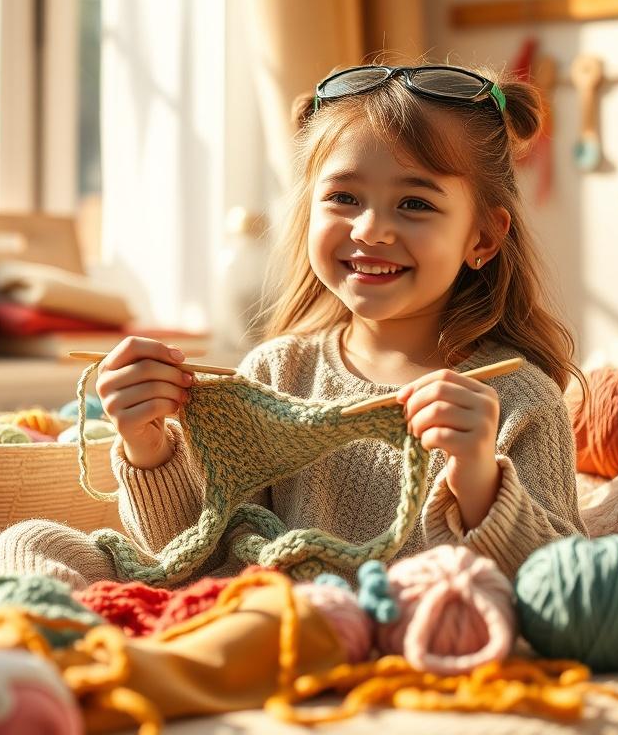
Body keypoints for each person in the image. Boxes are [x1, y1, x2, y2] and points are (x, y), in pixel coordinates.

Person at [96, 62, 587, 579]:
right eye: (344, 198)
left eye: (415, 203)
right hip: (288, 636)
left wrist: (482, 485)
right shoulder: (275, 375)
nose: (371, 230)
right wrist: (147, 447)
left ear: (483, 238)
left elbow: (569, 584)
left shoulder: (521, 400)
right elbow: (197, 559)